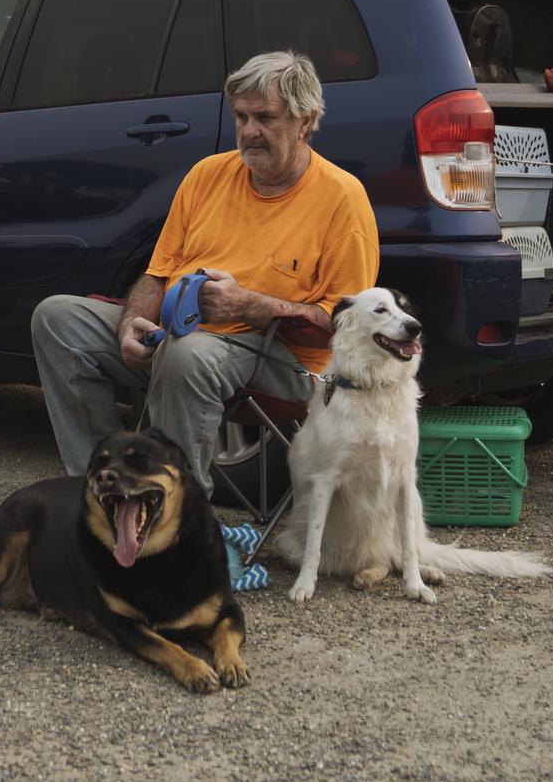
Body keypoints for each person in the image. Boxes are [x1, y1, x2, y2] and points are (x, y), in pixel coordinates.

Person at [31, 51, 379, 481]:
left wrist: (248, 305)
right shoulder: (206, 175)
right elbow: (158, 273)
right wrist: (133, 322)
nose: (250, 131)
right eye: (241, 116)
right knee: (57, 317)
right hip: (181, 336)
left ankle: (180, 520)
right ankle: (104, 484)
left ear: (305, 121)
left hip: (285, 359)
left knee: (188, 354)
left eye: (265, 118)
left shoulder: (342, 198)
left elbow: (345, 328)